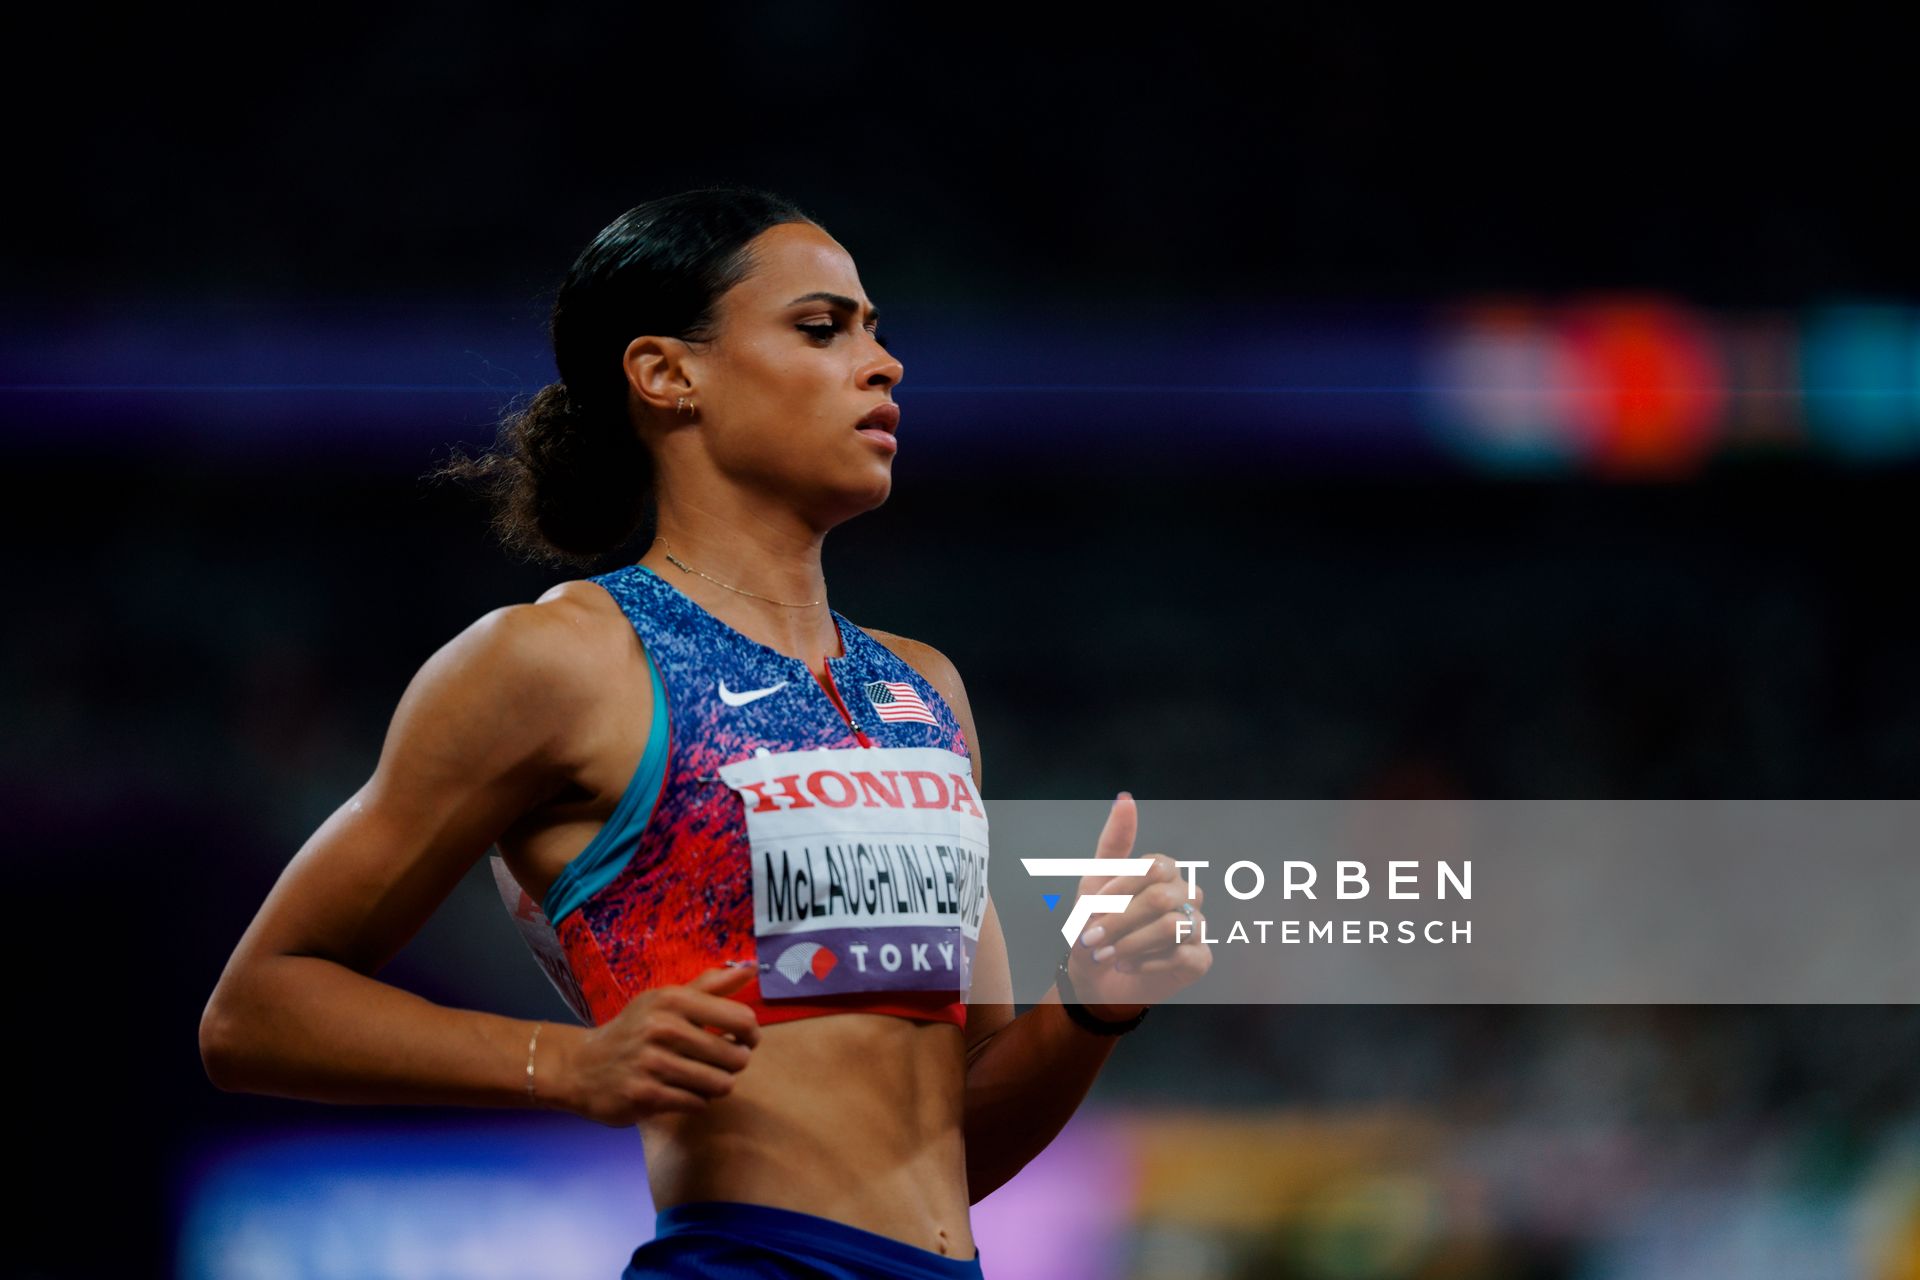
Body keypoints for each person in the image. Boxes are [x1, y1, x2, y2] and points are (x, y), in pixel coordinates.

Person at [198, 185, 1213, 1279]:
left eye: (877, 331)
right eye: (823, 328)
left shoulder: (925, 690)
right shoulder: (561, 661)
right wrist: (568, 1062)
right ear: (666, 373)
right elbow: (255, 1008)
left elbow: (955, 1146)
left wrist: (1090, 1005)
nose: (883, 363)